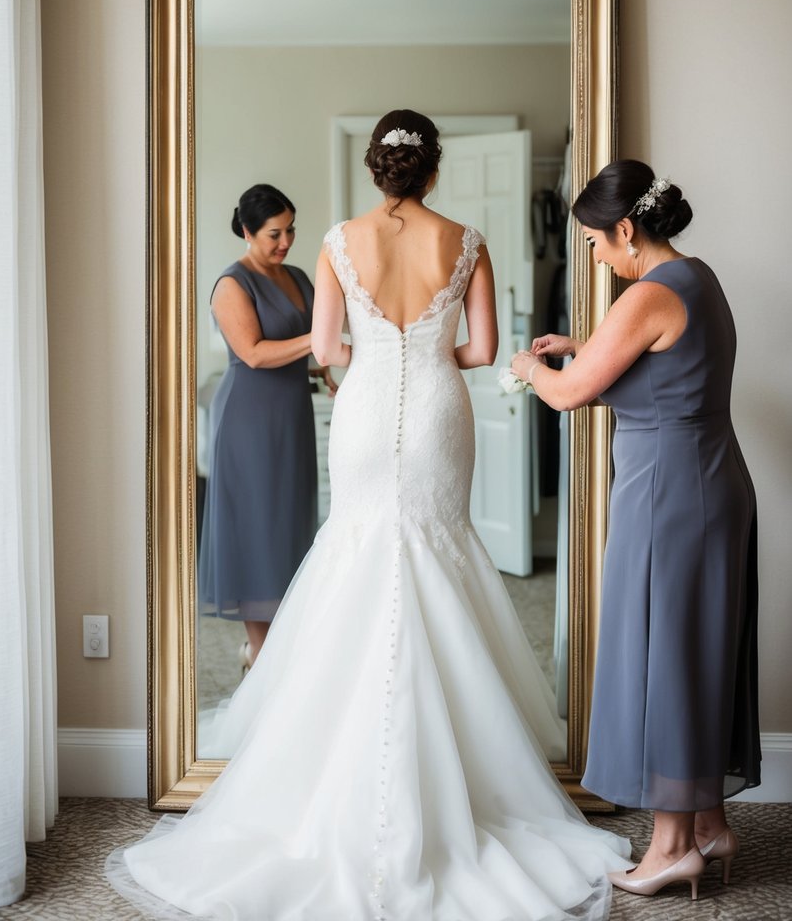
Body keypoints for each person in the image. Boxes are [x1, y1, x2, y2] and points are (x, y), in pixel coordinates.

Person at [112, 112, 630, 921]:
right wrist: (423, 350)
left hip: (362, 415)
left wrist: (374, 350)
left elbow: (323, 349)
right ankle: (462, 784)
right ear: (430, 171)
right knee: (438, 554)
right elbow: (484, 350)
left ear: (373, 169)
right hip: (435, 411)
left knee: (355, 556)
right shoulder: (465, 240)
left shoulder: (335, 239)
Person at [509, 159, 760, 902]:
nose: (591, 255)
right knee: (692, 651)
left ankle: (672, 845)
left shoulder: (647, 294)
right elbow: (655, 367)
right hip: (707, 485)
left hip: (668, 498)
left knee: (663, 660)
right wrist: (578, 348)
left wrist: (530, 365)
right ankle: (707, 824)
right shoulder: (695, 278)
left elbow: (566, 397)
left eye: (592, 241)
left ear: (625, 229)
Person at [198, 183, 334, 670]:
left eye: (291, 229)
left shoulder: (297, 275)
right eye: (275, 233)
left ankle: (283, 642)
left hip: (292, 411)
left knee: (290, 521)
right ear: (247, 231)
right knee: (258, 529)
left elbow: (322, 345)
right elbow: (254, 353)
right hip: (249, 419)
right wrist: (317, 343)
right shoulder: (231, 285)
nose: (286, 241)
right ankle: (260, 654)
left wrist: (330, 373)